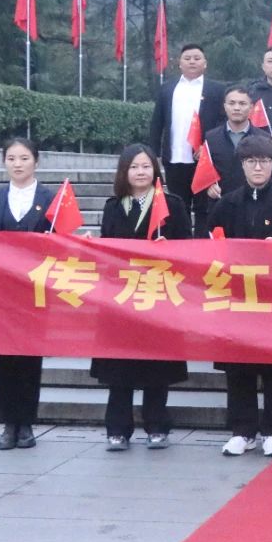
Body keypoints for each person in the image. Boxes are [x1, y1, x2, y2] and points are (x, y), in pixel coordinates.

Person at [207, 134, 272, 457]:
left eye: (264, 161)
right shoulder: (226, 204)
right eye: (251, 161)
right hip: (236, 299)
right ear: (242, 165)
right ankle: (242, 430)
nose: (258, 167)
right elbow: (207, 246)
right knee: (239, 368)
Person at [89, 144, 191, 451]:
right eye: (134, 167)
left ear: (155, 171)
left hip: (158, 296)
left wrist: (169, 248)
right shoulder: (113, 206)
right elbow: (108, 249)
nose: (141, 172)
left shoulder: (172, 204)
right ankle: (117, 429)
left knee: (155, 367)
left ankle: (157, 426)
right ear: (124, 172)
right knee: (119, 369)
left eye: (146, 166)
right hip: (120, 298)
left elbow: (190, 249)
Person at [0, 137, 54, 450]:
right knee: (2, 358)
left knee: (29, 357)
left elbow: (64, 240)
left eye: (24, 158)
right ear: (4, 162)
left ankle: (26, 423)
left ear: (36, 161)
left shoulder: (51, 198)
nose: (18, 164)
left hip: (34, 292)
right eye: (12, 158)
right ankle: (8, 423)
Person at [147, 43, 227, 220]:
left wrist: (209, 146)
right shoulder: (168, 89)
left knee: (203, 208)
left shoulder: (216, 90)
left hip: (204, 160)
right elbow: (157, 123)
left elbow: (223, 121)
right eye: (187, 58)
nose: (192, 62)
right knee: (178, 208)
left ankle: (201, 238)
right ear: (180, 63)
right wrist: (152, 154)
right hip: (175, 159)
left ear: (205, 63)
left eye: (197, 58)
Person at [200, 84, 270, 234]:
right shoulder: (211, 137)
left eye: (242, 103)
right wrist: (208, 185)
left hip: (254, 206)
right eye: (232, 103)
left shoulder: (263, 138)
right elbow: (204, 171)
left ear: (251, 107)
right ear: (224, 106)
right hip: (221, 206)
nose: (236, 108)